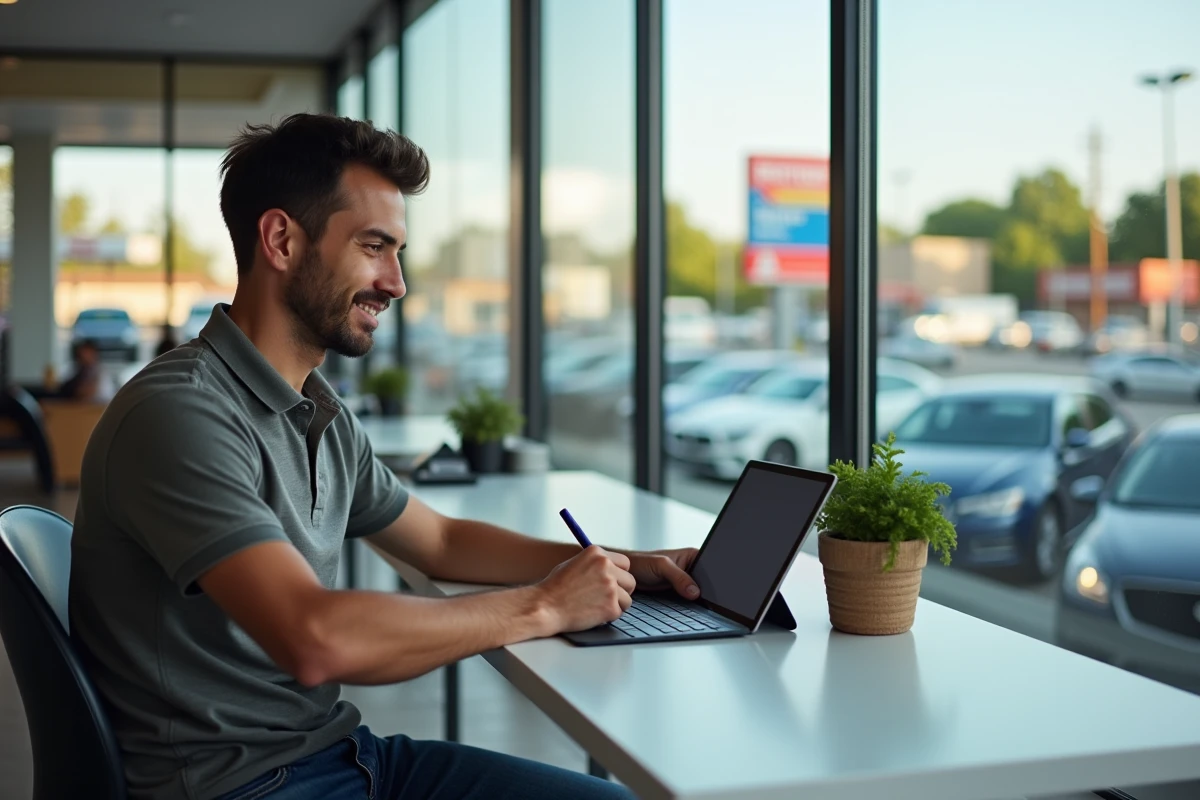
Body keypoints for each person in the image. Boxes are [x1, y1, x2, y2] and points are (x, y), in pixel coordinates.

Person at [70, 113, 701, 800]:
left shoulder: (315, 409)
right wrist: (545, 606)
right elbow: (315, 639)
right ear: (281, 239)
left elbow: (441, 540)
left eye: (397, 252)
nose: (396, 283)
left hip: (339, 755)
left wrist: (625, 565)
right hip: (241, 785)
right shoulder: (182, 414)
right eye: (375, 247)